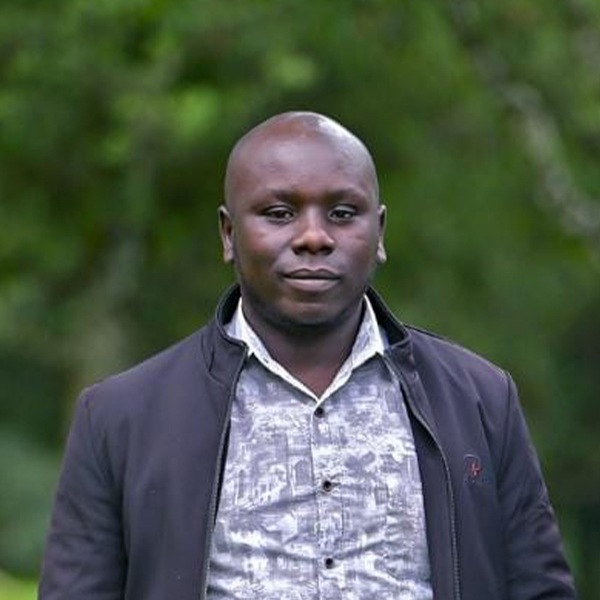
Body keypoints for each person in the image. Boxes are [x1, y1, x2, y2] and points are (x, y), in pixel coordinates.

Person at [39, 111, 576, 600]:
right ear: (228, 233)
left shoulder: (481, 401)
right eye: (279, 213)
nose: (314, 237)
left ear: (379, 233)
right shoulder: (119, 419)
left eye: (342, 213)